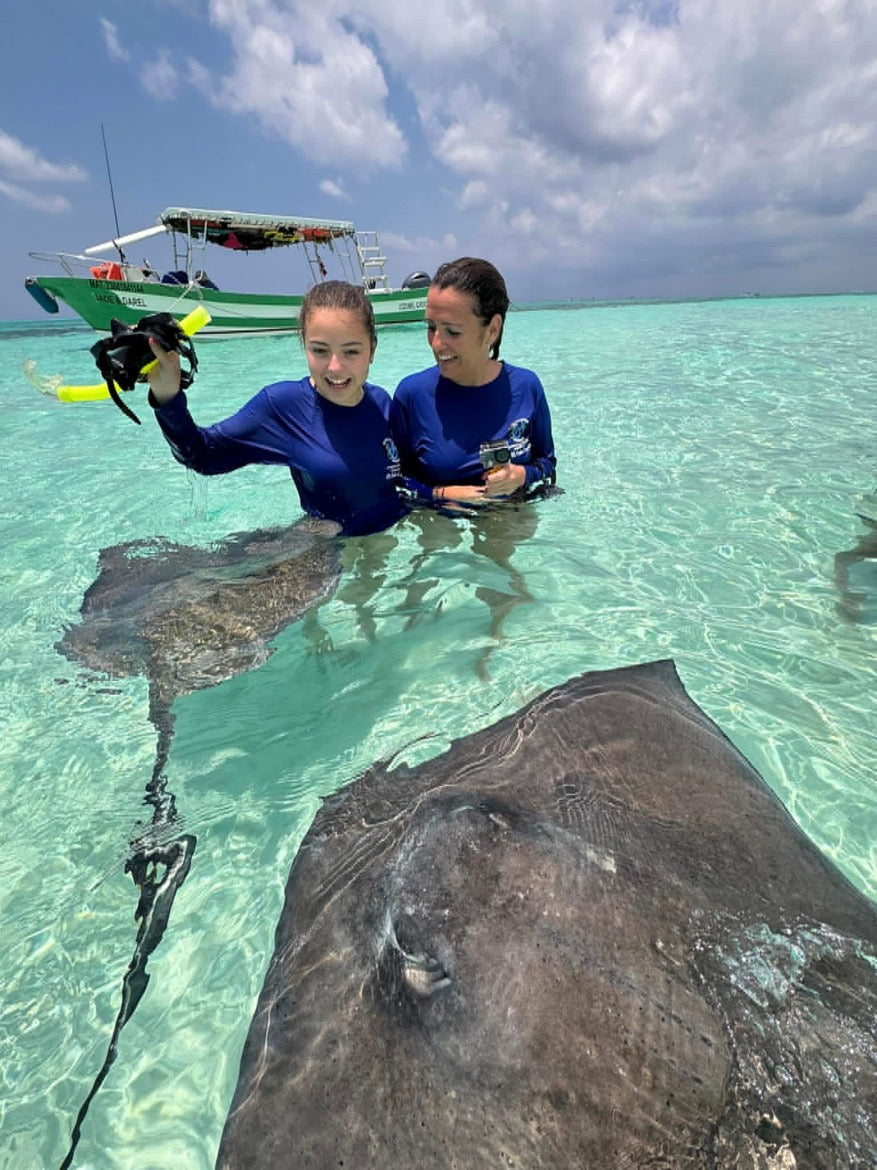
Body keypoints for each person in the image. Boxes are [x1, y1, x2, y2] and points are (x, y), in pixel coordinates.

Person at [145, 281, 409, 537]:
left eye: (351, 352)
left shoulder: (382, 403)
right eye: (320, 351)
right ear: (304, 346)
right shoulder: (282, 406)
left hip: (393, 548)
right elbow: (201, 454)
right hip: (333, 559)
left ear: (372, 349)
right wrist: (168, 395)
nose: (334, 367)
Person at [390, 257, 556, 509]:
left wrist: (521, 475)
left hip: (508, 516)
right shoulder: (412, 395)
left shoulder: (526, 387)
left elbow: (547, 464)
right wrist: (441, 494)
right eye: (430, 327)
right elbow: (395, 481)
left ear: (492, 330)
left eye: (452, 332)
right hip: (441, 522)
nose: (436, 343)